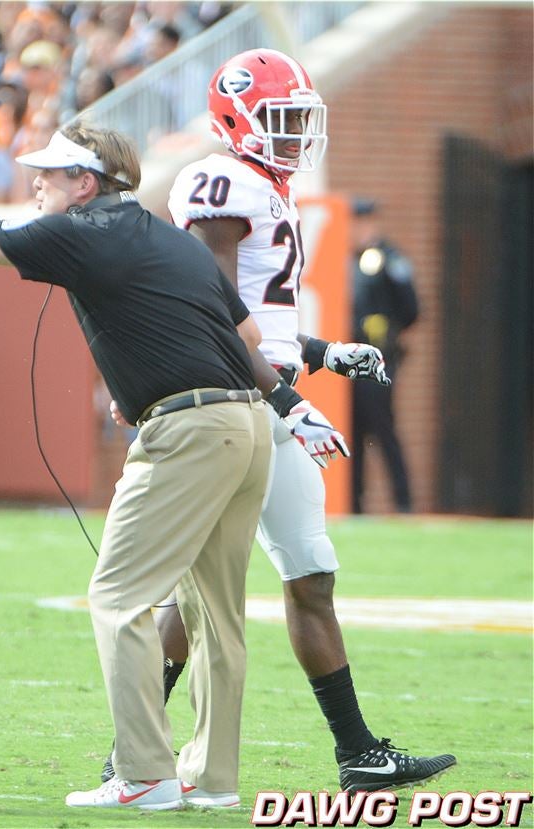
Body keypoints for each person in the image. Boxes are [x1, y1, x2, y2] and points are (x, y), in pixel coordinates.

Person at [0, 122, 351, 809]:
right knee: (216, 610)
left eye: (50, 175)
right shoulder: (172, 237)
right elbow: (242, 336)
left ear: (86, 184)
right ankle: (211, 779)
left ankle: (145, 773)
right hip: (247, 422)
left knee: (117, 597)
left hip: (189, 431)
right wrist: (282, 402)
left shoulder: (79, 231)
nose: (36, 184)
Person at [146, 48, 454, 795]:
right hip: (235, 405)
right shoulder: (219, 182)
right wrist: (286, 398)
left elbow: (265, 321)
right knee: (197, 592)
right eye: (279, 121)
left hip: (270, 397)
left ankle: (358, 755)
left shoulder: (267, 189)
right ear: (235, 117)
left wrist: (324, 353)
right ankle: (134, 751)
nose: (292, 135)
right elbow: (215, 312)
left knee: (311, 574)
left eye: (298, 121)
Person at [350, 198, 418, 514]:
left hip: (378, 357)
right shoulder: (346, 260)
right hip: (347, 357)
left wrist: (387, 332)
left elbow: (412, 309)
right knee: (351, 430)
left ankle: (403, 503)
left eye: (361, 223)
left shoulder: (388, 258)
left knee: (382, 426)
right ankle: (354, 504)